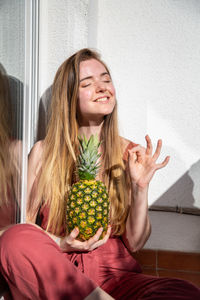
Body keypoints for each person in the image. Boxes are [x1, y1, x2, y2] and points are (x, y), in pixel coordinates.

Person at [0, 48, 199, 300]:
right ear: (69, 97)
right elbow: (25, 224)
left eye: (106, 79)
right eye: (88, 83)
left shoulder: (129, 153)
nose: (102, 87)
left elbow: (136, 243)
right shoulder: (44, 153)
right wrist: (62, 243)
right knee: (15, 238)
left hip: (116, 278)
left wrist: (140, 187)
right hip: (59, 275)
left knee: (183, 291)